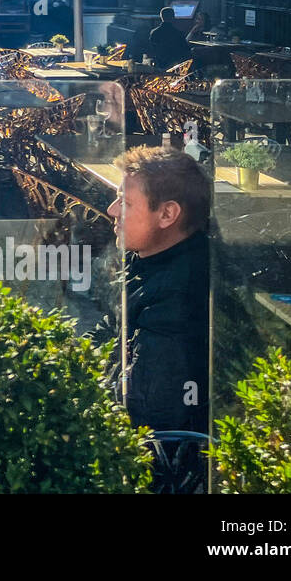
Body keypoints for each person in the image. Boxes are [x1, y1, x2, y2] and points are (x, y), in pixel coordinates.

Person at [103, 147, 210, 433]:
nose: (111, 210)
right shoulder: (147, 258)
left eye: (124, 203)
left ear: (167, 214)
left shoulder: (178, 298)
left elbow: (145, 409)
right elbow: (112, 326)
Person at [149, 6, 192, 70]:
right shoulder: (178, 33)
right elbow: (185, 50)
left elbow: (152, 49)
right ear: (173, 17)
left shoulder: (154, 32)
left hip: (159, 63)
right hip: (174, 65)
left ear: (161, 17)